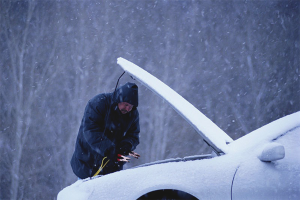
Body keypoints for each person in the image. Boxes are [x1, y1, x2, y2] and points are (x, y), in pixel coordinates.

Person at [71, 82, 140, 179]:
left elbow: (134, 135)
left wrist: (127, 145)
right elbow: (90, 131)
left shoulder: (133, 114)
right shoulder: (98, 103)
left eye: (131, 106)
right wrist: (109, 149)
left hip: (112, 169)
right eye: (126, 104)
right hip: (87, 164)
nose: (128, 108)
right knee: (85, 193)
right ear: (119, 99)